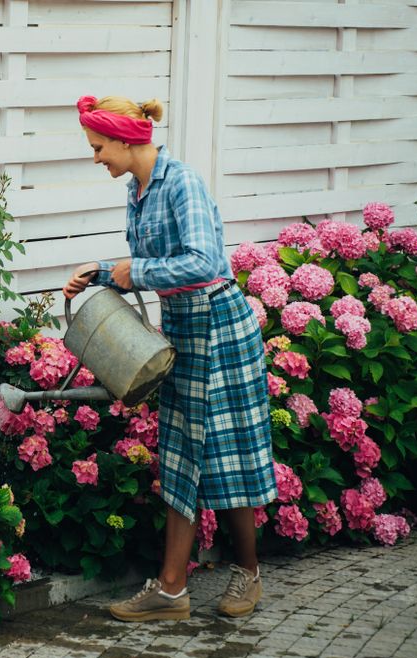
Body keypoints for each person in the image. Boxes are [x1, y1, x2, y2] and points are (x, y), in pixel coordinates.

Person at [63, 95, 277, 622]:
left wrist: (133, 272)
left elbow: (204, 261)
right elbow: (157, 262)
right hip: (184, 328)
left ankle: (247, 574)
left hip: (222, 325)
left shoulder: (181, 182)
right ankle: (172, 589)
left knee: (229, 454)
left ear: (123, 138)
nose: (95, 159)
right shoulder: (136, 193)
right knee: (182, 454)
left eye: (98, 147)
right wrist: (102, 268)